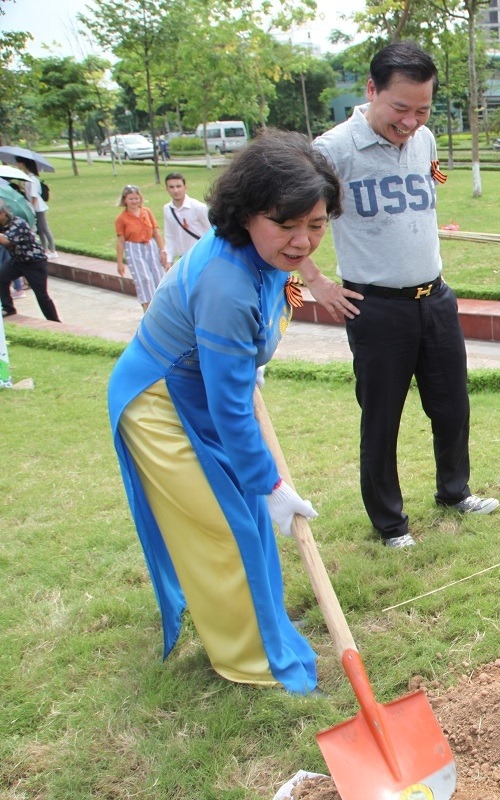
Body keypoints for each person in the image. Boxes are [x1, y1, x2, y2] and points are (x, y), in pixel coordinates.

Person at [107, 129, 338, 693]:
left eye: (317, 223)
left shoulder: (267, 257)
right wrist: (272, 484)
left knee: (245, 521)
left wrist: (252, 351)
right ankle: (252, 659)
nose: (303, 241)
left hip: (201, 387)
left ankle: (262, 625)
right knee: (226, 527)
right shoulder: (226, 283)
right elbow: (230, 407)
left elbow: (280, 295)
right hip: (160, 403)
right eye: (285, 224)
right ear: (246, 214)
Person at [306, 41, 498, 550]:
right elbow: (287, 219)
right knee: (382, 418)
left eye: (422, 109)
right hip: (375, 307)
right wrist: (317, 281)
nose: (410, 121)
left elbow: (429, 188)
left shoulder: (426, 140)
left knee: (453, 405)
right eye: (400, 108)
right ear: (371, 91)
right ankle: (391, 524)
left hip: (435, 298)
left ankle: (454, 492)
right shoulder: (331, 151)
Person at [0, 199, 60, 320]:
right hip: (18, 261)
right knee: (1, 276)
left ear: (3, 213)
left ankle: (54, 321)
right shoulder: (2, 225)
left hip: (34, 263)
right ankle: (8, 308)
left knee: (41, 295)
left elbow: (6, 241)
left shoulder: (18, 223)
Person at [115, 185, 169, 312]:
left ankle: (162, 307)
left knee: (159, 275)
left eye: (136, 198)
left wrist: (162, 250)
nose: (134, 202)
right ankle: (147, 308)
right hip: (134, 248)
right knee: (145, 279)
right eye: (131, 199)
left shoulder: (147, 212)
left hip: (150, 246)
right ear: (125, 200)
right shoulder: (122, 218)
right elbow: (120, 241)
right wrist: (119, 262)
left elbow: (155, 232)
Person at [162, 172, 212, 266]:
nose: (175, 190)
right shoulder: (168, 209)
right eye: (171, 187)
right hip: (183, 258)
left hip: (202, 256)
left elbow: (211, 230)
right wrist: (169, 259)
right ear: (167, 189)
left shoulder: (198, 207)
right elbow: (170, 236)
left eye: (178, 186)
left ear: (185, 187)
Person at [15, 157, 56, 258]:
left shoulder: (32, 179)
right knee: (40, 230)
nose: (17, 165)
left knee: (45, 228)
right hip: (36, 207)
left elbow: (34, 197)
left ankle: (53, 250)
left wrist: (31, 209)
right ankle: (45, 250)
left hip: (38, 207)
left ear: (22, 163)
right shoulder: (29, 178)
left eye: (18, 163)